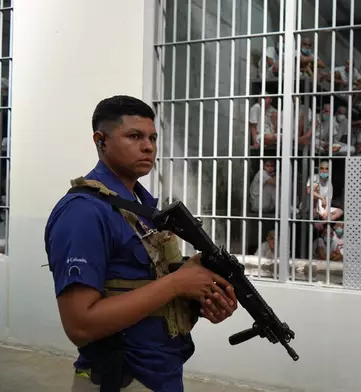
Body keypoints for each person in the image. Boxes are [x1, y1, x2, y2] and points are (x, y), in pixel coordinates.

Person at [44, 96, 238, 391]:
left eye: (152, 137)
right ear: (101, 141)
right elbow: (80, 325)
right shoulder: (84, 212)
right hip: (117, 379)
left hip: (161, 375)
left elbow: (145, 287)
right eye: (134, 136)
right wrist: (178, 284)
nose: (148, 146)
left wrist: (200, 300)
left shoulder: (141, 208)